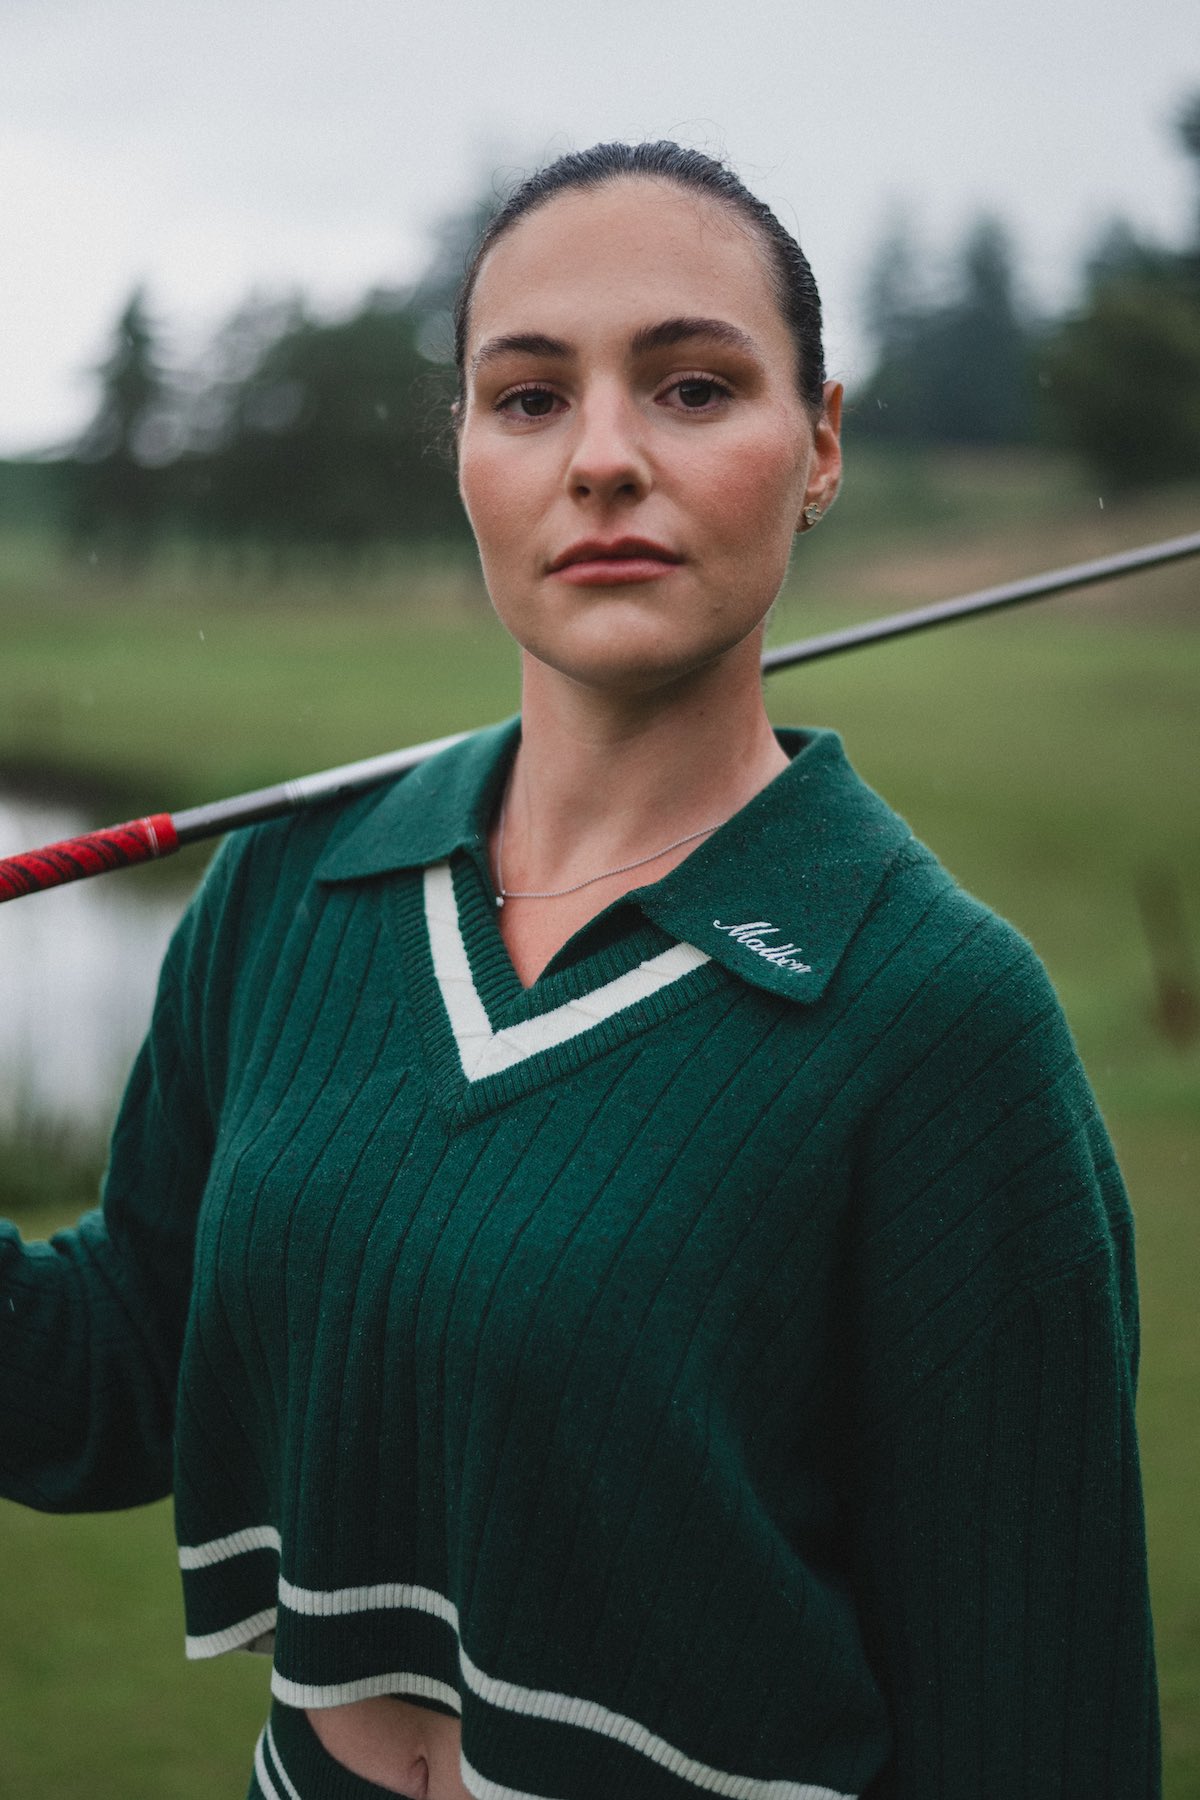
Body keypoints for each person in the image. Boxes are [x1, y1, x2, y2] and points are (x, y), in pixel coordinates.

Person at [0, 142, 1159, 1800]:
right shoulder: (286, 887)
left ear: (819, 446)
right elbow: (111, 1382)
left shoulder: (945, 1026)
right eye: (530, 398)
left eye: (693, 388)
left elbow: (1034, 1721)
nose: (603, 458)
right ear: (468, 452)